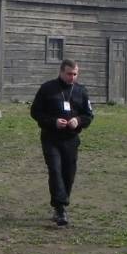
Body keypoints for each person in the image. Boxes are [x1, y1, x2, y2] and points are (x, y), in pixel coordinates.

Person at [30, 59, 93, 226]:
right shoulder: (47, 89)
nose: (72, 77)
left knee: (68, 173)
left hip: (71, 139)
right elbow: (35, 112)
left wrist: (78, 121)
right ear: (61, 72)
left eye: (75, 74)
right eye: (69, 74)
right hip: (51, 138)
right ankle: (60, 208)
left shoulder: (81, 91)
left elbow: (88, 116)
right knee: (55, 170)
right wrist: (53, 122)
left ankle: (62, 202)